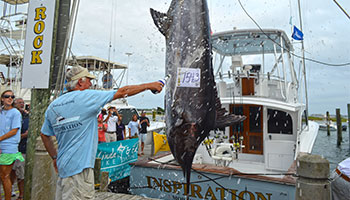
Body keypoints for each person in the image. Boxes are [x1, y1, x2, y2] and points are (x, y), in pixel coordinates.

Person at [40, 65, 163, 200]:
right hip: (80, 171)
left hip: (64, 169)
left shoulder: (54, 105)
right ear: (80, 81)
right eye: (88, 80)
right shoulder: (84, 97)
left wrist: (54, 157)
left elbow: (45, 135)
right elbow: (123, 91)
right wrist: (150, 85)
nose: (91, 83)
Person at [0, 90, 24, 200]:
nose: (10, 98)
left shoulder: (15, 113)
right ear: (2, 99)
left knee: (5, 176)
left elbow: (14, 131)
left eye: (12, 96)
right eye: (7, 96)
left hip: (9, 147)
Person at [10, 98, 29, 200]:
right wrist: (23, 135)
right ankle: (11, 190)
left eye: (23, 103)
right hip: (11, 148)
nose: (22, 104)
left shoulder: (27, 116)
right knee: (11, 172)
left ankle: (21, 195)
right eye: (19, 103)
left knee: (20, 173)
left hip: (22, 149)